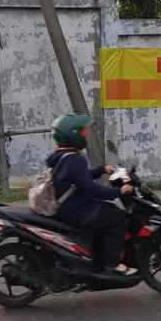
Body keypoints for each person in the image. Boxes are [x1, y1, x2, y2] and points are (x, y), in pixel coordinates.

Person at [46, 114, 137, 276]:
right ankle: (112, 264)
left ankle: (96, 254)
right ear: (73, 135)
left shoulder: (63, 155)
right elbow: (91, 189)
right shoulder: (74, 158)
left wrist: (102, 169)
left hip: (67, 206)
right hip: (75, 209)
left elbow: (80, 177)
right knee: (118, 218)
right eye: (82, 132)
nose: (85, 135)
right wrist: (119, 191)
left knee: (107, 211)